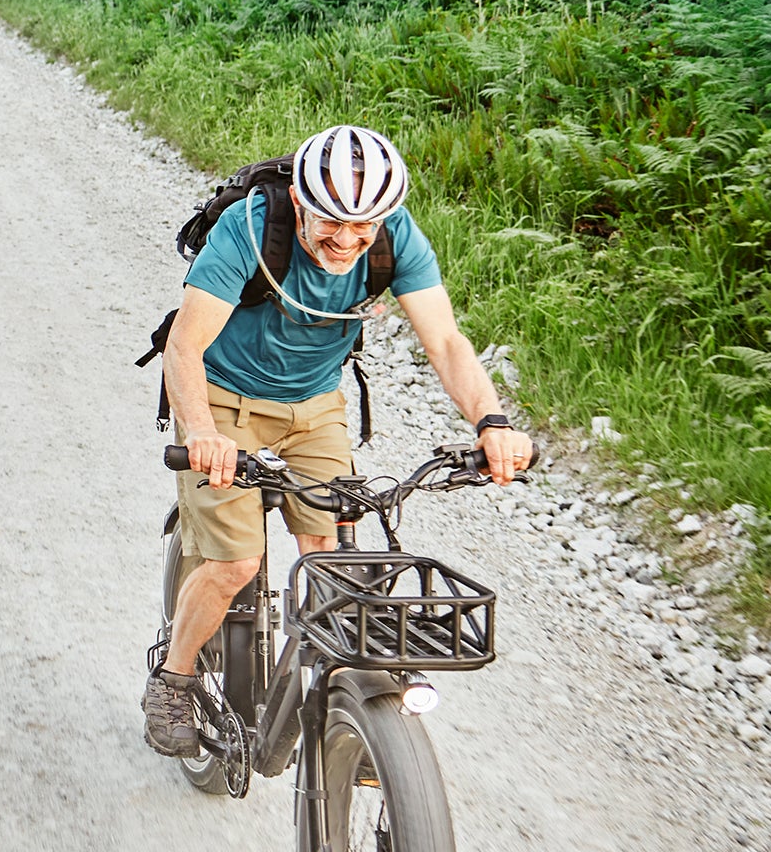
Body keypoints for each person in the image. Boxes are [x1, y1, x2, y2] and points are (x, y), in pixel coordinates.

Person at [143, 124, 536, 758]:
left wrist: (491, 422)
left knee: (328, 556)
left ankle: (342, 705)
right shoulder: (249, 227)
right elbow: (185, 346)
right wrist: (207, 435)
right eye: (331, 223)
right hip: (223, 396)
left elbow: (445, 342)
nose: (349, 241)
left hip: (315, 403)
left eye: (365, 228)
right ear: (299, 202)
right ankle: (175, 677)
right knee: (234, 563)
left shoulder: (396, 237)